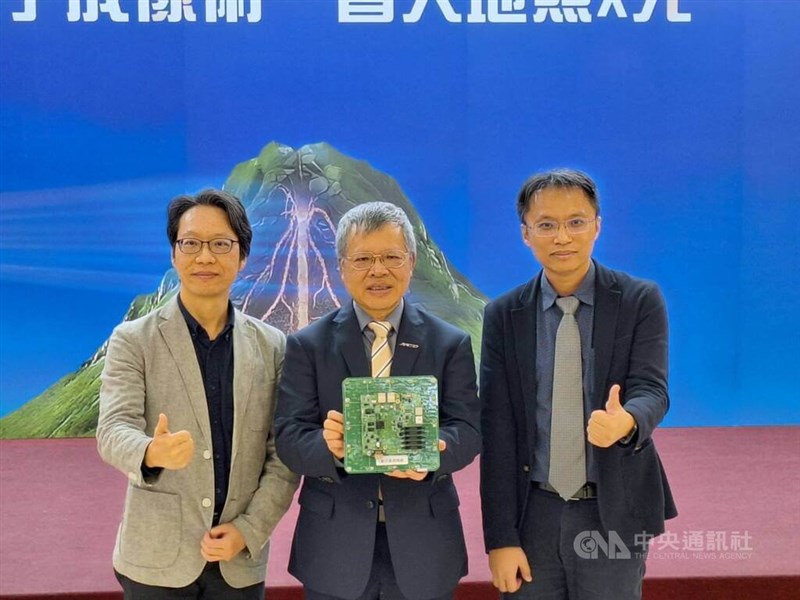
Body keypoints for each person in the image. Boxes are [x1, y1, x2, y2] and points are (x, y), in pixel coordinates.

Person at [479, 169, 677, 600]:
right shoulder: (502, 316)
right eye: (546, 225)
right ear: (526, 234)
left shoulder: (639, 300)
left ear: (597, 225)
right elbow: (497, 431)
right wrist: (500, 537)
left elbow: (652, 390)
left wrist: (626, 423)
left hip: (613, 509)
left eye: (576, 222)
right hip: (534, 511)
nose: (562, 237)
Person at [97, 189, 299, 598]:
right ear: (174, 254)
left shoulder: (273, 346)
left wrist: (250, 529)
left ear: (242, 256)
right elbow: (114, 429)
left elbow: (283, 454)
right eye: (190, 243)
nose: (204, 257)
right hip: (156, 561)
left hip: (238, 562)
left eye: (221, 244)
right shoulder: (133, 339)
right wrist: (151, 452)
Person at [274, 201, 481, 600]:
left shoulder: (449, 343)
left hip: (426, 544)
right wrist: (327, 447)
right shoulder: (307, 345)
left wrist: (435, 452)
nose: (378, 270)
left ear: (412, 260)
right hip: (334, 547)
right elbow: (288, 436)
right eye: (364, 258)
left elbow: (469, 431)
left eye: (390, 256)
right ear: (342, 266)